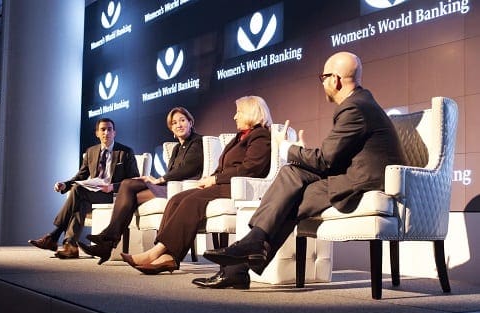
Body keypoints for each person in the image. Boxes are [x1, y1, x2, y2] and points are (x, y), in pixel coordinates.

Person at [197, 51, 406, 289]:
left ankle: (242, 260)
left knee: (290, 194)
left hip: (364, 182)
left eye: (323, 77)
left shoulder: (354, 108)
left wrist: (287, 149)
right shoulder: (361, 103)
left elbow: (326, 161)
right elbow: (334, 158)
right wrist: (299, 154)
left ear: (335, 80)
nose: (323, 83)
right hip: (354, 174)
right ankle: (248, 252)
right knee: (291, 176)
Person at [121, 95, 273, 274]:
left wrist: (215, 180)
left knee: (190, 202)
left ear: (250, 112)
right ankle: (167, 257)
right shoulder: (240, 137)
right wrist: (209, 179)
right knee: (176, 199)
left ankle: (158, 253)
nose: (235, 116)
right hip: (223, 183)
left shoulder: (260, 135)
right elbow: (222, 167)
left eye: (238, 112)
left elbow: (251, 169)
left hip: (239, 187)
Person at [78, 107, 204, 264]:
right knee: (128, 188)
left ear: (190, 122)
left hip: (184, 190)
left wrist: (160, 179)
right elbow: (173, 173)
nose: (178, 125)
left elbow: (189, 168)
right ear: (171, 128)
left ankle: (107, 241)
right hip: (168, 187)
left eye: (182, 120)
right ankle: (108, 243)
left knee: (128, 185)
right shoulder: (177, 147)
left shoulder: (198, 141)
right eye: (174, 122)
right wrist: (156, 179)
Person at [28, 118, 140, 259]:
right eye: (103, 129)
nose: (106, 132)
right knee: (80, 200)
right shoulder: (91, 152)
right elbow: (81, 176)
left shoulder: (126, 152)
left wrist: (112, 186)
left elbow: (134, 179)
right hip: (93, 192)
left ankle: (54, 235)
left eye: (109, 129)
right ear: (97, 133)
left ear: (114, 132)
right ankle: (71, 246)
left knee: (77, 191)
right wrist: (65, 185)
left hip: (114, 194)